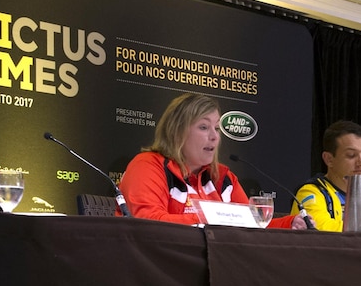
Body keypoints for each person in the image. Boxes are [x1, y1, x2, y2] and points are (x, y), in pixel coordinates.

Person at [119, 92, 306, 228]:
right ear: (177, 131)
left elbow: (252, 225)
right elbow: (146, 222)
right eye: (203, 127)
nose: (214, 137)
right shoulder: (148, 166)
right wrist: (210, 219)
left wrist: (289, 224)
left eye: (216, 128)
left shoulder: (223, 178)